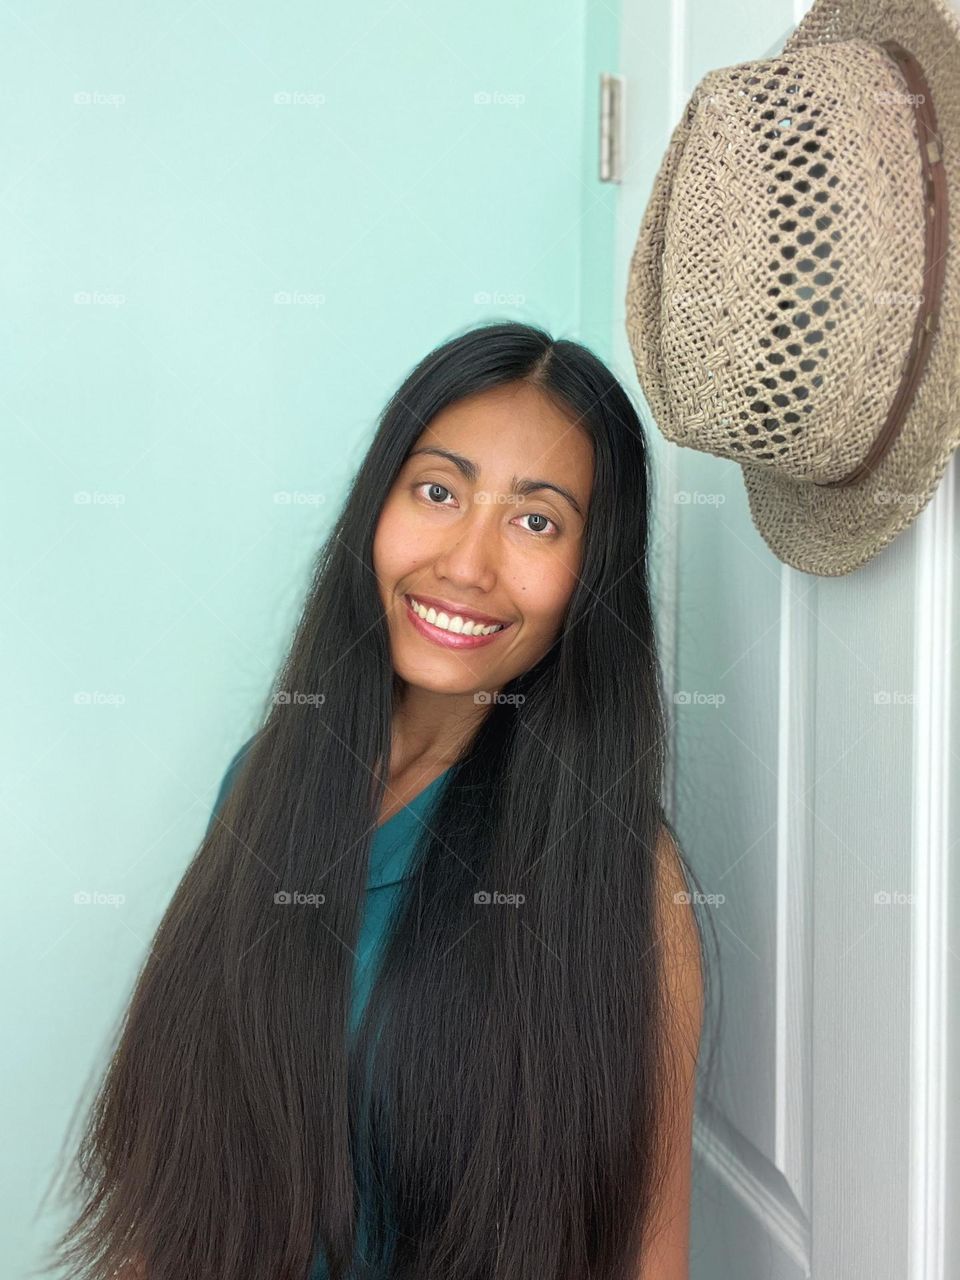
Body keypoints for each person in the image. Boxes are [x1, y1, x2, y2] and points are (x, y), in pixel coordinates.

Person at [46, 322, 714, 1280]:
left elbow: (647, 1257)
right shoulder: (266, 778)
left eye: (537, 520)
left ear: (591, 575)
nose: (468, 564)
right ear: (378, 508)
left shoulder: (622, 873)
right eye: (437, 492)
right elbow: (175, 1182)